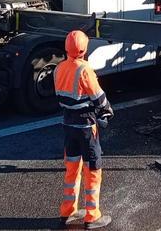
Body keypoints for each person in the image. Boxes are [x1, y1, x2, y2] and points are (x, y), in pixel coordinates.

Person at [54, 30, 113, 229]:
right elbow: (98, 96)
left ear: (66, 48)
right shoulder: (84, 70)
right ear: (85, 49)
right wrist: (106, 112)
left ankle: (67, 211)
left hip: (68, 124)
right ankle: (92, 216)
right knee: (93, 169)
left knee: (72, 169)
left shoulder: (59, 69)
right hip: (86, 126)